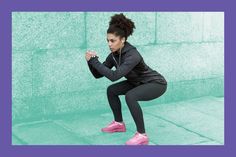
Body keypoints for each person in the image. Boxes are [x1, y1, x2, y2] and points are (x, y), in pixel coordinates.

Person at [85, 13, 167, 145]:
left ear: (122, 39)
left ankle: (142, 135)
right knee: (111, 91)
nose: (109, 44)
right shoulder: (114, 55)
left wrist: (95, 62)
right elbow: (98, 75)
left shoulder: (132, 54)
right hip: (137, 83)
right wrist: (90, 62)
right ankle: (118, 124)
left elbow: (114, 76)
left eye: (113, 40)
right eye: (108, 40)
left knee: (131, 96)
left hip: (156, 83)